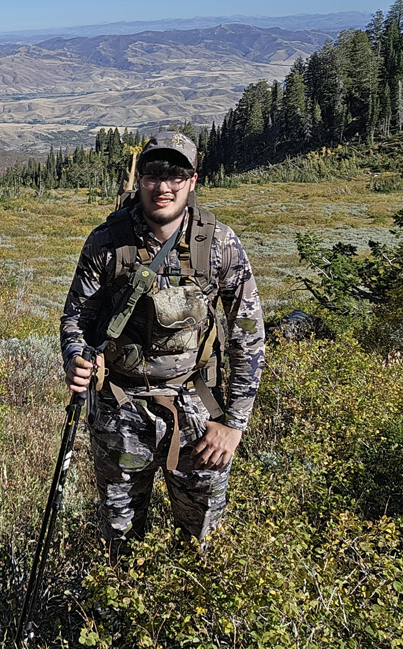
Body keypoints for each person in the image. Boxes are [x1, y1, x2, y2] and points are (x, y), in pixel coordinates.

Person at [59, 132, 264, 550]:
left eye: (176, 176)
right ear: (139, 179)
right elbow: (77, 317)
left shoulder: (220, 244)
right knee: (119, 539)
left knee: (202, 539)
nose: (163, 187)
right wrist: (76, 358)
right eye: (153, 175)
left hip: (199, 414)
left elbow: (249, 335)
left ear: (193, 180)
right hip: (120, 410)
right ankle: (120, 594)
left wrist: (233, 424)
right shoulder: (106, 242)